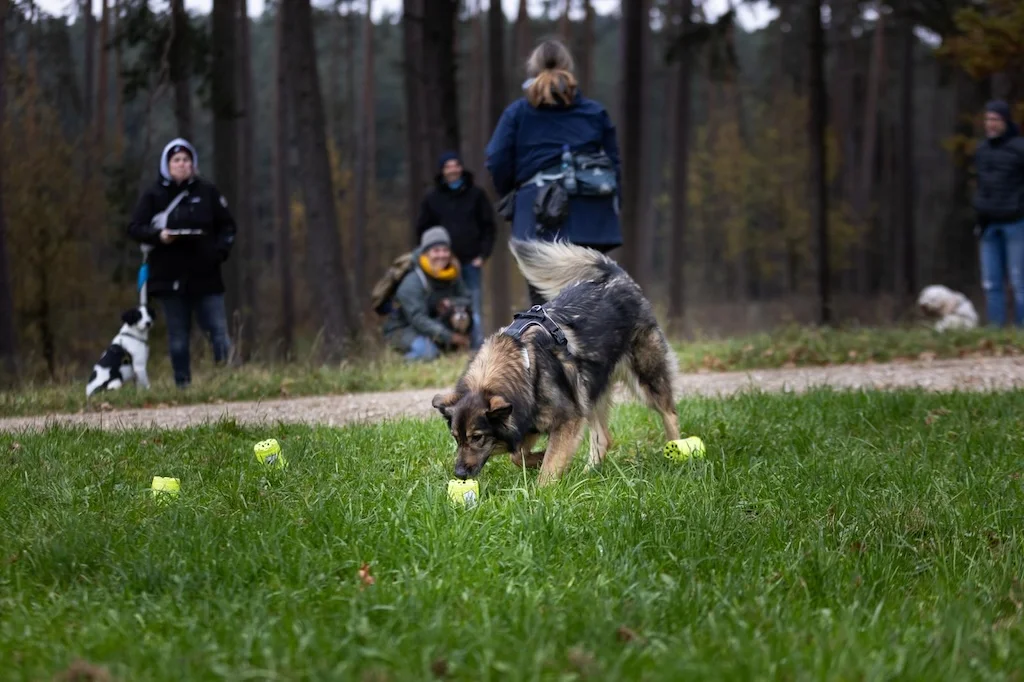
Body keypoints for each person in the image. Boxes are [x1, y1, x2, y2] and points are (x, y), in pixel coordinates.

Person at [484, 38, 623, 307]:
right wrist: (613, 207)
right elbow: (614, 164)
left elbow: (496, 159)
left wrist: (516, 194)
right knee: (590, 303)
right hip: (592, 217)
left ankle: (548, 348)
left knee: (544, 304)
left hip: (537, 215)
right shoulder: (594, 113)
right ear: (569, 67)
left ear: (532, 68)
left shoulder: (518, 112)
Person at [127, 137, 237, 388]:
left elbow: (228, 226)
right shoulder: (154, 195)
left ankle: (228, 382)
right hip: (169, 278)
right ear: (167, 164)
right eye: (176, 160)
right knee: (178, 337)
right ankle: (183, 386)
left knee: (218, 333)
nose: (182, 164)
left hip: (206, 277)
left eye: (186, 160)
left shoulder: (207, 192)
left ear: (193, 164)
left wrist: (219, 252)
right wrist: (159, 236)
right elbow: (134, 228)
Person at [416, 151, 494, 349]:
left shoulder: (476, 195)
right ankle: (447, 347)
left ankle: (477, 348)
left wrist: (483, 254)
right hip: (443, 265)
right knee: (444, 307)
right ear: (442, 171)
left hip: (470, 262)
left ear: (461, 168)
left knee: (473, 306)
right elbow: (422, 229)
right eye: (448, 166)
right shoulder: (432, 198)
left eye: (455, 165)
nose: (452, 170)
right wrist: (430, 255)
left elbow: (489, 226)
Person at [382, 226, 474, 361]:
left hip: (434, 323)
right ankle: (400, 363)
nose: (441, 255)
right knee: (428, 353)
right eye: (436, 251)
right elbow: (418, 319)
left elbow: (467, 299)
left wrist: (451, 303)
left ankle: (473, 355)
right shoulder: (412, 282)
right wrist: (450, 337)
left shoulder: (452, 273)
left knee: (474, 319)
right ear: (426, 253)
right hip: (403, 329)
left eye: (445, 250)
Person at [973, 100, 1024, 327]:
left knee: (1018, 280)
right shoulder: (982, 150)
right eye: (988, 119)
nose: (990, 124)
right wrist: (979, 214)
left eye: (995, 119)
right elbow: (982, 185)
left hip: (1016, 223)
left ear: (1006, 122)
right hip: (988, 223)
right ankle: (996, 331)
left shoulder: (1019, 148)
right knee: (991, 283)